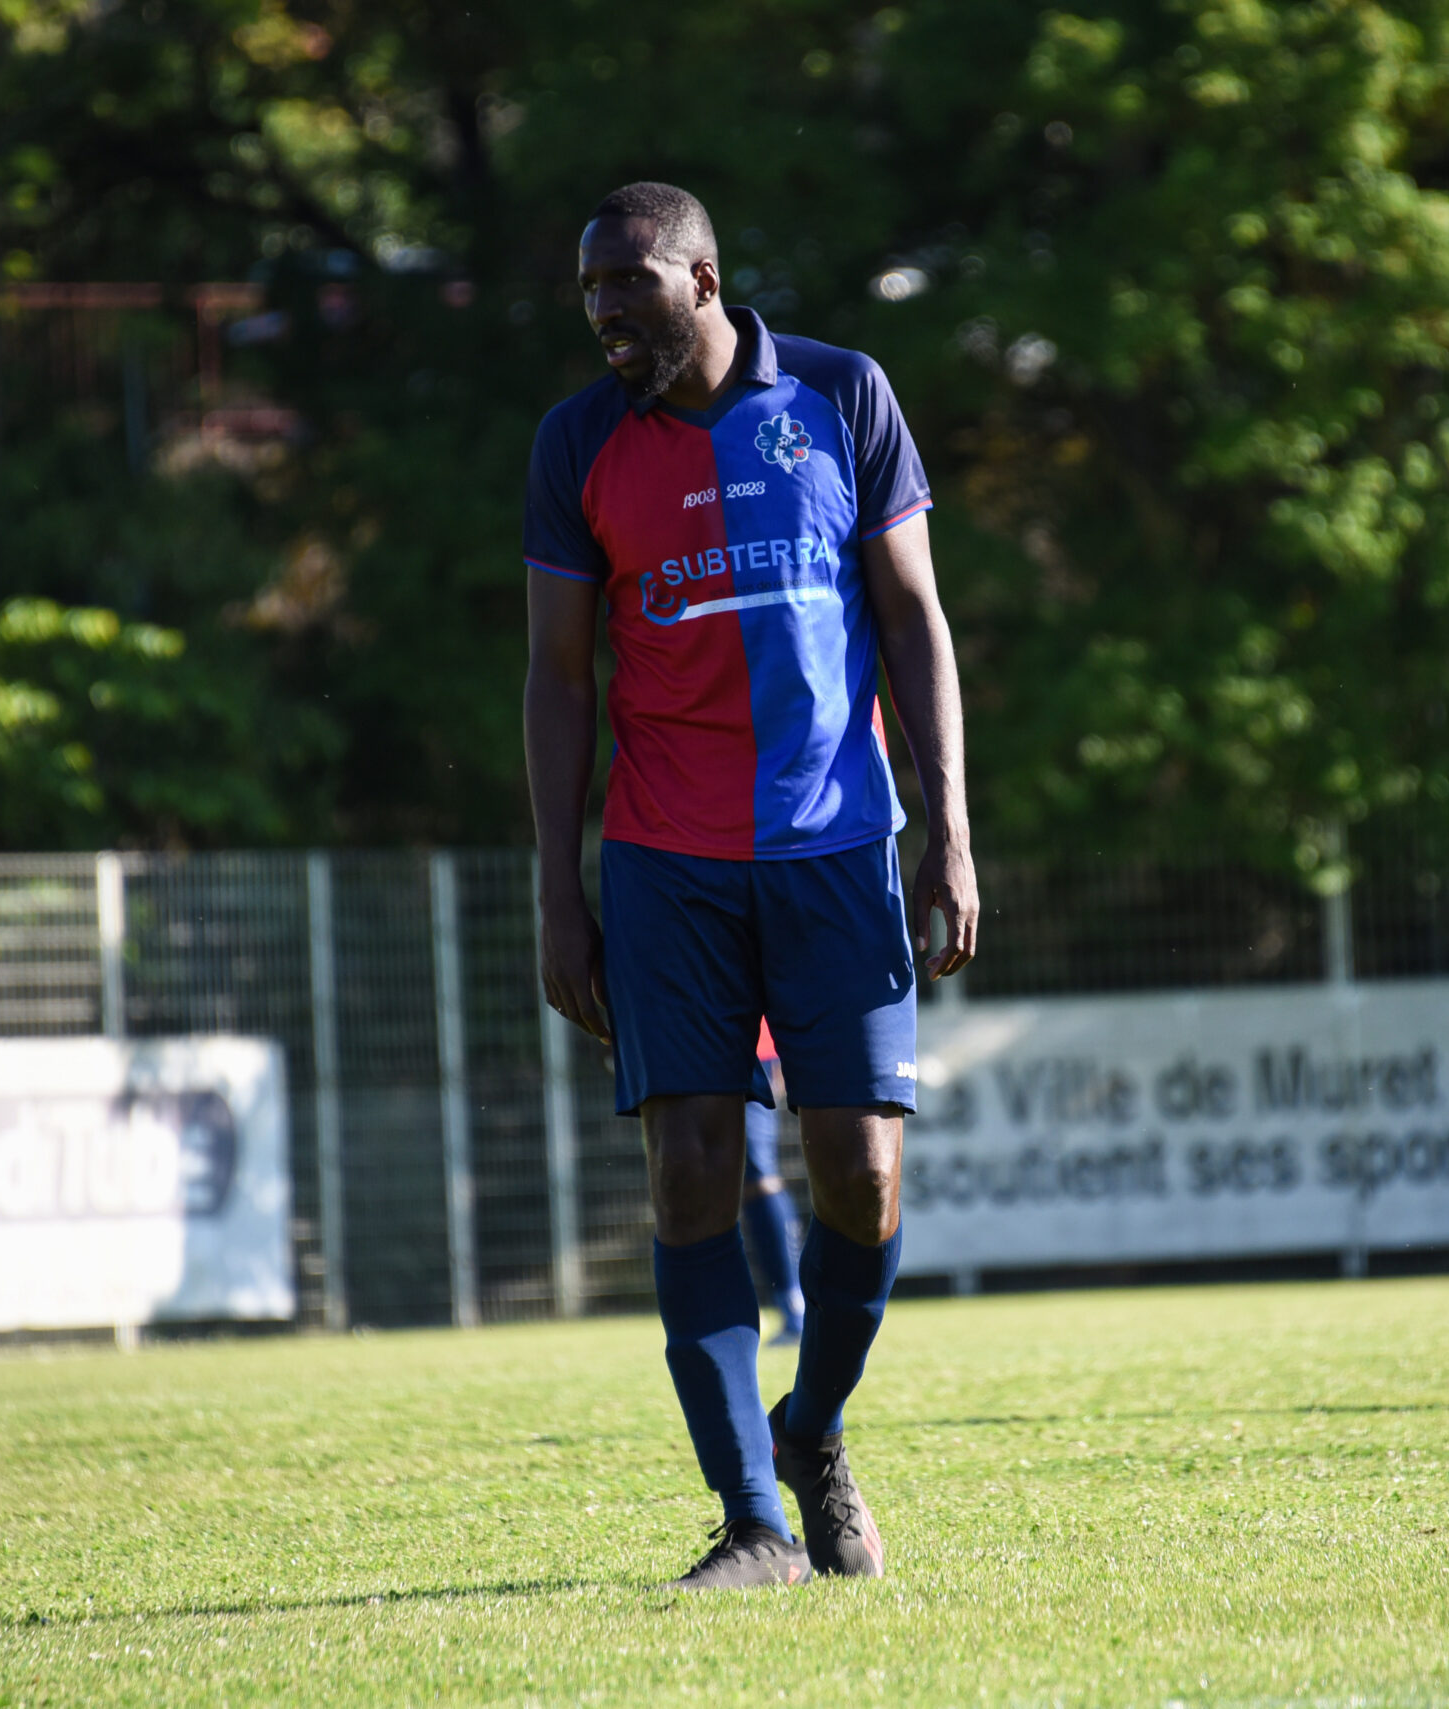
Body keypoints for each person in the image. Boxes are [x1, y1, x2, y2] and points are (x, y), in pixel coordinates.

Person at [524, 182, 977, 1589]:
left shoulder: (843, 393)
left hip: (839, 844)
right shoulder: (576, 442)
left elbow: (914, 616)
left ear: (703, 278)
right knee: (689, 1174)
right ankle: (752, 1521)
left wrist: (951, 832)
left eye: (628, 282)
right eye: (588, 290)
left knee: (864, 1177)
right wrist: (557, 891)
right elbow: (556, 679)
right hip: (667, 859)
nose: (604, 311)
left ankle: (813, 1428)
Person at [742, 1022, 807, 1347]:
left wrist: (777, 1049)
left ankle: (795, 1309)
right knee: (740, 1183)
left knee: (759, 1178)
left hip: (753, 1047)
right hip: (699, 1038)